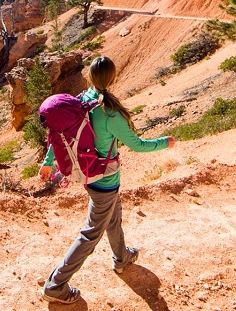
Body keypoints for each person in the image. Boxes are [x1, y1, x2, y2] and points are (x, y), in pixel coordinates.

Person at [39, 56, 176, 304]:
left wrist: (48, 163)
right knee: (91, 234)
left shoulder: (79, 102)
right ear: (113, 79)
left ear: (90, 78)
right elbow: (138, 145)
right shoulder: (110, 113)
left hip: (89, 176)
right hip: (105, 180)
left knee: (114, 215)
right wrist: (165, 142)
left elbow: (58, 134)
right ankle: (56, 285)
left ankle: (122, 257)